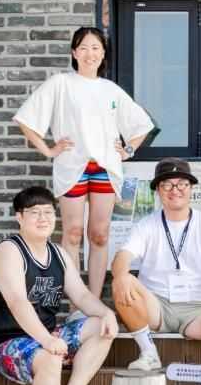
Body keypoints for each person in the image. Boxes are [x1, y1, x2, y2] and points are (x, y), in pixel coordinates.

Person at [13, 26, 156, 302]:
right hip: (72, 167)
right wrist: (48, 149)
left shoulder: (111, 90)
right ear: (74, 53)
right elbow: (26, 119)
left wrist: (128, 150)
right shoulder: (60, 84)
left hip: (104, 168)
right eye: (84, 48)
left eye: (96, 48)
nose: (90, 53)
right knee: (73, 233)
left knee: (99, 234)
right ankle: (76, 304)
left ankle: (93, 301)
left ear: (103, 54)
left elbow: (142, 125)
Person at [0, 186, 118, 385]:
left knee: (100, 326)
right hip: (6, 342)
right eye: (34, 213)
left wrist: (108, 313)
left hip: (46, 337)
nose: (43, 218)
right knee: (50, 358)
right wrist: (47, 340)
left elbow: (81, 296)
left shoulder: (58, 253)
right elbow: (18, 302)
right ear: (19, 217)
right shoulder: (9, 251)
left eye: (47, 212)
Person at [112, 158, 201, 370]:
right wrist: (120, 276)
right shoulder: (145, 225)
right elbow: (123, 256)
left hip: (198, 308)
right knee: (122, 280)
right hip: (156, 306)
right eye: (167, 185)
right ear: (158, 190)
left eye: (182, 184)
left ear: (191, 188)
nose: (175, 190)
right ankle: (149, 353)